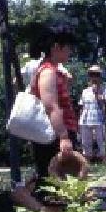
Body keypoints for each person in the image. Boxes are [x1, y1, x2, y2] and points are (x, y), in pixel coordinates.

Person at [30, 24, 80, 199]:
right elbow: (51, 106)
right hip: (54, 138)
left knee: (60, 184)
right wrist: (64, 137)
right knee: (55, 184)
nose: (70, 52)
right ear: (56, 47)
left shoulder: (53, 70)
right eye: (68, 48)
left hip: (56, 136)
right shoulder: (48, 72)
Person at [78, 65, 106, 162]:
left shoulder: (104, 90)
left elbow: (103, 104)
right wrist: (79, 121)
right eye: (92, 74)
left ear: (100, 76)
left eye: (96, 74)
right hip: (85, 119)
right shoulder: (85, 91)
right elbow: (82, 106)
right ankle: (87, 165)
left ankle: (105, 165)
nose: (94, 77)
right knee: (86, 143)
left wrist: (96, 93)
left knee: (101, 142)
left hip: (99, 119)